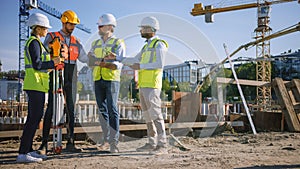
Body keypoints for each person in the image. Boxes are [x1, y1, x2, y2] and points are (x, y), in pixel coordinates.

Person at [38, 10, 88, 153]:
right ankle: (44, 144)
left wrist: (98, 58)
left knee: (71, 109)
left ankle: (70, 143)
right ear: (63, 22)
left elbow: (84, 58)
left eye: (74, 25)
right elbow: (43, 53)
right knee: (51, 108)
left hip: (71, 76)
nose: (72, 27)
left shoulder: (76, 41)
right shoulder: (52, 36)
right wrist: (53, 50)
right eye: (70, 24)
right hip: (56, 73)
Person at [16, 13, 63, 163]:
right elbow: (37, 64)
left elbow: (40, 66)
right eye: (45, 29)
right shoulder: (34, 43)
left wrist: (51, 64)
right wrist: (53, 62)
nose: (46, 32)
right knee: (33, 119)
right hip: (34, 85)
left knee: (35, 119)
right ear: (38, 28)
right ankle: (23, 153)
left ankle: (28, 150)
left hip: (38, 85)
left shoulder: (37, 43)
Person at [123, 16, 168, 155]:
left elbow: (160, 64)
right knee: (148, 116)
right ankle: (151, 143)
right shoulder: (146, 46)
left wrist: (140, 66)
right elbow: (133, 60)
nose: (141, 31)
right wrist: (117, 59)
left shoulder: (159, 44)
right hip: (143, 85)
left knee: (155, 114)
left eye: (142, 28)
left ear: (150, 29)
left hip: (153, 85)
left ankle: (162, 145)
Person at [88, 13, 125, 153]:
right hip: (98, 79)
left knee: (112, 110)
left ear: (110, 27)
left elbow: (117, 64)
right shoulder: (95, 43)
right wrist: (103, 61)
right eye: (98, 25)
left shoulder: (118, 43)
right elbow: (90, 61)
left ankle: (114, 143)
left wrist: (100, 62)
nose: (99, 27)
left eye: (101, 25)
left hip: (111, 80)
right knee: (102, 111)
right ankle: (106, 140)